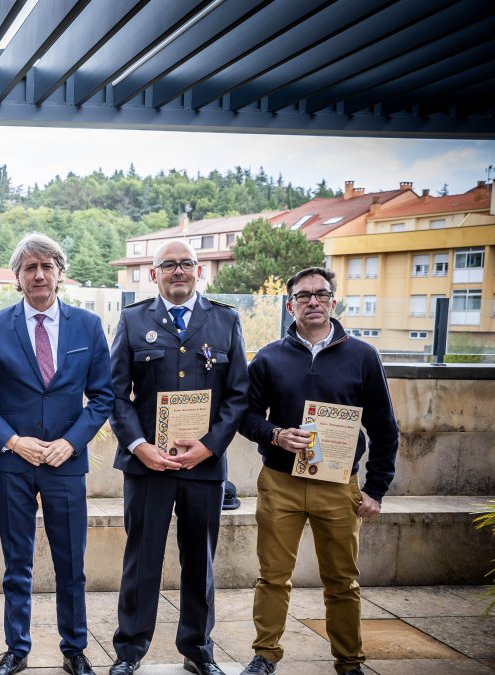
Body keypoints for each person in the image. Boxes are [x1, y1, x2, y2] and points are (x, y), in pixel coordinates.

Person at [236, 267, 398, 675]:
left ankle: (349, 662)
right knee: (272, 577)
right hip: (280, 484)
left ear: (333, 302)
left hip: (338, 485)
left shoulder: (363, 356)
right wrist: (274, 434)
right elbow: (246, 417)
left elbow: (384, 426)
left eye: (320, 294)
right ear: (289, 304)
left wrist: (376, 489)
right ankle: (265, 655)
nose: (312, 301)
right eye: (303, 295)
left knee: (343, 581)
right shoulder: (269, 357)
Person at [0, 232, 114, 675]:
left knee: (71, 563)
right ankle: (17, 649)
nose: (39, 274)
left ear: (60, 274)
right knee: (17, 563)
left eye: (47, 266)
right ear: (16, 277)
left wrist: (71, 442)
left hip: (65, 464)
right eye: (29, 267)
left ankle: (74, 649)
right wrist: (13, 441)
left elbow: (103, 397)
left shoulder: (87, 327)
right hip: (12, 464)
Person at [107, 239, 248, 675]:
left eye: (186, 263)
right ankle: (129, 651)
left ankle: (198, 650)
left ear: (199, 270)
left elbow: (239, 394)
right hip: (148, 466)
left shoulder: (224, 320)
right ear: (154, 274)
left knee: (199, 562)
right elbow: (114, 394)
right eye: (168, 265)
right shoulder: (132, 321)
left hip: (203, 467)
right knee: (141, 560)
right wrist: (139, 446)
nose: (178, 271)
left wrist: (209, 446)